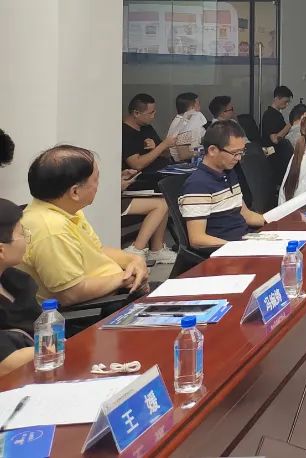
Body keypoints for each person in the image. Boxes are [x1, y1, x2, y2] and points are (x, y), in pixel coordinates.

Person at [21, 145, 149, 304]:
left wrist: (134, 260)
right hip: (94, 308)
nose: (98, 185)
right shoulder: (51, 229)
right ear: (75, 192)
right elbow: (71, 294)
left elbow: (98, 251)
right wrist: (126, 278)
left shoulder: (65, 209)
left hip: (113, 293)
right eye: (96, 179)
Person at [179, 120, 265, 248]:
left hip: (245, 239)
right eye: (234, 153)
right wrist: (237, 247)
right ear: (212, 150)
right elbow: (197, 239)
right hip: (227, 249)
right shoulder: (197, 185)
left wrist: (276, 221)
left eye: (241, 152)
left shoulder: (229, 173)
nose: (239, 158)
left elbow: (246, 215)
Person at [0, 199, 38, 375]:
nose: (26, 240)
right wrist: (59, 346)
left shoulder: (15, 280)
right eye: (22, 233)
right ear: (1, 250)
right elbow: (6, 363)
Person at [121, 93, 175, 174]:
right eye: (150, 113)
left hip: (165, 169)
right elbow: (136, 165)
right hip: (148, 177)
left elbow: (167, 154)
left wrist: (156, 148)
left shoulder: (147, 127)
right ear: (136, 113)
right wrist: (163, 145)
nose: (153, 116)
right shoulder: (125, 132)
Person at [165, 92, 207, 160]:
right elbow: (184, 155)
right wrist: (206, 151)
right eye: (198, 104)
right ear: (192, 107)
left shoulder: (182, 120)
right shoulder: (185, 125)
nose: (200, 107)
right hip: (184, 163)